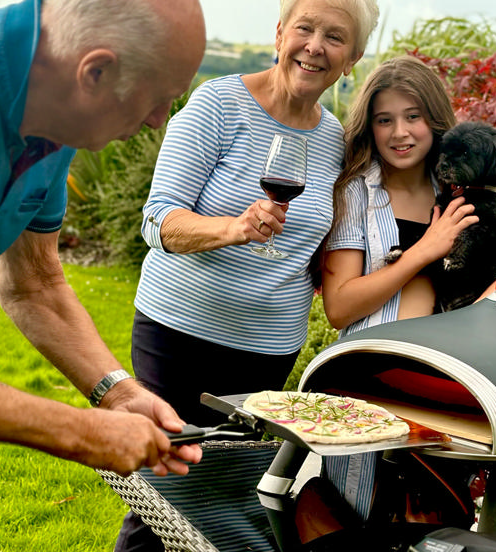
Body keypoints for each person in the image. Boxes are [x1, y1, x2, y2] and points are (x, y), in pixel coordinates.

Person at [114, 0, 381, 550]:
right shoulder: (218, 104)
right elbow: (158, 218)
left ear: (352, 59)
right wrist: (233, 229)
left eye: (335, 37)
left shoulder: (336, 143)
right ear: (280, 32)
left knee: (226, 496)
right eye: (304, 27)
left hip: (265, 350)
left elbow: (323, 244)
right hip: (178, 332)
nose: (315, 45)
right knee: (164, 493)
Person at [0, 0, 206, 481]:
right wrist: (79, 431)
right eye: (158, 97)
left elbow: (33, 283)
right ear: (94, 73)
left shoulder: (56, 110)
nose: (159, 120)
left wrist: (119, 393)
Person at [299, 56, 496, 548]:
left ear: (436, 123)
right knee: (358, 516)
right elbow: (340, 307)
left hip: (453, 383)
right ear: (370, 126)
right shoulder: (355, 196)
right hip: (374, 381)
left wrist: (469, 337)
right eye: (385, 119)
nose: (399, 132)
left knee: (433, 514)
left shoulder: (463, 190)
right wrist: (425, 251)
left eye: (413, 116)